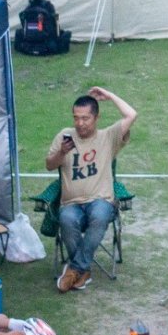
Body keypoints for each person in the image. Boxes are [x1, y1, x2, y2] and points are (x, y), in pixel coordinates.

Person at [43, 86, 139, 292]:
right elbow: (50, 165)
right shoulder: (64, 136)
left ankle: (75, 269)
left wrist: (109, 95)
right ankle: (82, 271)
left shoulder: (108, 137)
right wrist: (61, 153)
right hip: (71, 203)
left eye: (85, 118)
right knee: (67, 219)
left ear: (96, 118)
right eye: (76, 118)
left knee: (100, 214)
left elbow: (132, 114)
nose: (80, 123)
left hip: (100, 200)